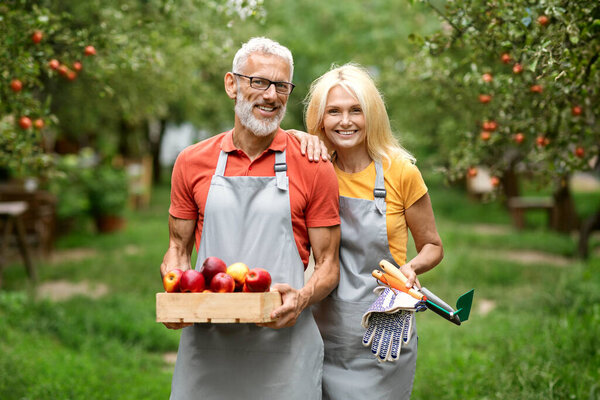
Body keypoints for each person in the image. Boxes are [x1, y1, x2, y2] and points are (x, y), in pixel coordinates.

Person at [160, 37, 341, 400]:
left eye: (281, 86)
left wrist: (302, 298)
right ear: (232, 84)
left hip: (284, 346)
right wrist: (176, 293)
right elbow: (177, 249)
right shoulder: (192, 161)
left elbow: (328, 265)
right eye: (258, 81)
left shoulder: (312, 164)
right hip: (209, 345)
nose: (271, 95)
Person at [293, 63, 444, 399]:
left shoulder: (401, 172)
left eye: (355, 110)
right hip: (320, 326)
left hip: (383, 327)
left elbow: (433, 245)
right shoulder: (313, 169)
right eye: (334, 111)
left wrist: (412, 268)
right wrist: (298, 137)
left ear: (372, 114)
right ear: (320, 118)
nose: (345, 121)